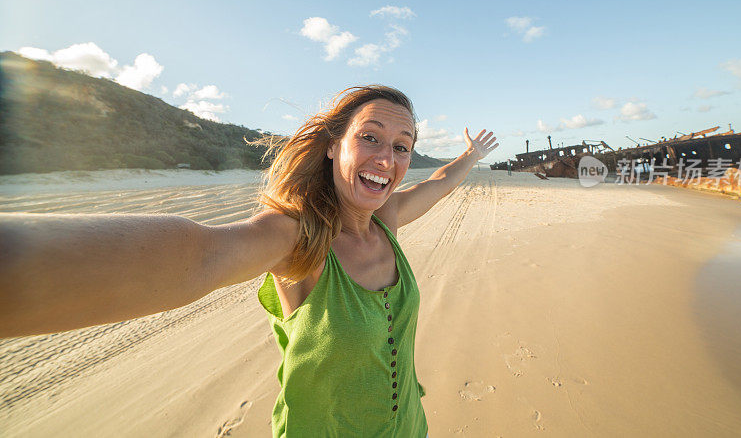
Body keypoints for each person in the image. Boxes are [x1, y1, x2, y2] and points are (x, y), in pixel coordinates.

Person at [0, 85, 498, 437]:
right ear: (332, 146)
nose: (386, 158)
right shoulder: (297, 238)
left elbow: (436, 184)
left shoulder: (385, 221)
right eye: (369, 137)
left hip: (408, 427)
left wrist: (470, 157)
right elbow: (202, 256)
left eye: (401, 146)